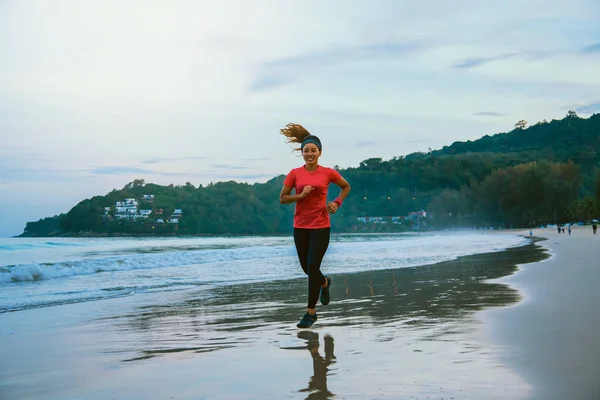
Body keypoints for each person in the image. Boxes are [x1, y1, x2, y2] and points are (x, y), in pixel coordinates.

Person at [279, 123, 351, 329]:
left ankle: (310, 312)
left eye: (313, 150)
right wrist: (300, 195)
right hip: (300, 226)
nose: (309, 154)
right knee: (306, 268)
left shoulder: (328, 173)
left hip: (321, 225)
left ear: (320, 152)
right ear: (302, 153)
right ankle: (325, 283)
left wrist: (337, 202)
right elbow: (282, 198)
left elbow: (346, 187)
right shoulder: (294, 174)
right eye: (306, 151)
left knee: (312, 267)